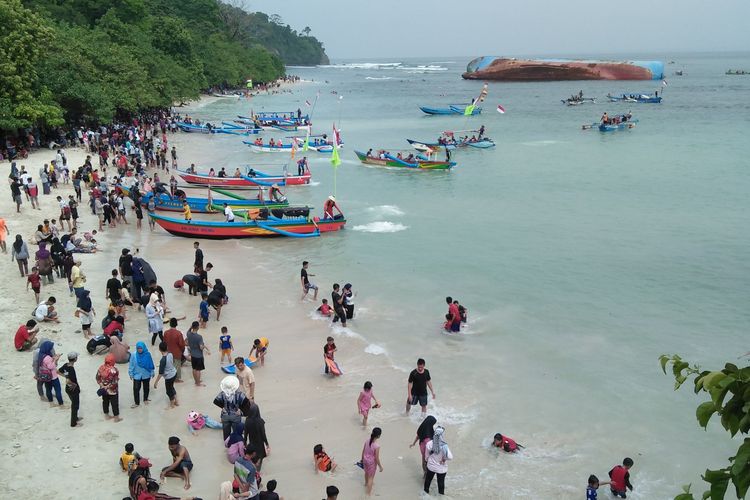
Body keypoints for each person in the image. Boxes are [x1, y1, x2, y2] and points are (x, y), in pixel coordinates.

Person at [213, 376, 251, 441]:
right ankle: (235, 442)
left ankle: (227, 443)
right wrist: (242, 412)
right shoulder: (239, 394)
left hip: (225, 416)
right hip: (236, 415)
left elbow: (216, 401)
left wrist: (223, 407)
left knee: (226, 431)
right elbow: (246, 403)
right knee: (236, 431)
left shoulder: (222, 394)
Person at [424, 426, 453, 495]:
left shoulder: (429, 444)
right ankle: (441, 495)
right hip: (441, 468)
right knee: (441, 482)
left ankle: (425, 493)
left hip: (431, 466)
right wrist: (444, 459)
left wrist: (430, 461)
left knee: (428, 480)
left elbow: (426, 457)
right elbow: (450, 457)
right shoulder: (444, 446)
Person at [58, 352, 82, 427]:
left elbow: (58, 371)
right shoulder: (71, 369)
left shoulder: (66, 365)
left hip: (68, 388)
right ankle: (73, 423)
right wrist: (73, 384)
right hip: (73, 390)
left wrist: (66, 376)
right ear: (75, 359)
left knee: (75, 404)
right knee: (75, 406)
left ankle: (75, 418)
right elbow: (69, 380)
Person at [96, 353, 122, 422]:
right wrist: (108, 387)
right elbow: (115, 382)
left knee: (105, 402)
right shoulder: (114, 370)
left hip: (103, 390)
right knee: (114, 403)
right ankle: (116, 418)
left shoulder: (101, 368)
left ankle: (106, 415)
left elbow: (97, 378)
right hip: (112, 390)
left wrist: (102, 386)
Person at [129, 341, 155, 408]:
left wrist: (152, 372)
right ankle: (136, 403)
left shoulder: (147, 354)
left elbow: (150, 363)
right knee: (136, 388)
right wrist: (130, 373)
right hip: (137, 375)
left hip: (146, 374)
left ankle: (145, 399)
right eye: (138, 348)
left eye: (141, 348)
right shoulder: (133, 355)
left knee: (146, 387)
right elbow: (131, 365)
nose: (139, 350)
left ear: (143, 348)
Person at [244, 403, 270, 470]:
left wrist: (245, 443)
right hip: (260, 445)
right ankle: (258, 472)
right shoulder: (260, 421)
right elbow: (263, 434)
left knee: (252, 459)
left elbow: (245, 433)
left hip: (252, 444)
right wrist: (267, 444)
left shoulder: (247, 421)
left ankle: (254, 471)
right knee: (259, 459)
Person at [38, 341, 64, 406]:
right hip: (53, 377)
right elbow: (51, 367)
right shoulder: (47, 358)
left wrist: (53, 359)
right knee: (58, 390)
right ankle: (61, 405)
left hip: (46, 377)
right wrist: (56, 359)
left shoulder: (41, 355)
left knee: (48, 390)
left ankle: (51, 403)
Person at [154, 341, 179, 409]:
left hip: (169, 377)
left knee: (168, 391)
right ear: (167, 347)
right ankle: (176, 401)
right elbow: (172, 362)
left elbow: (160, 373)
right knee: (172, 387)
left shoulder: (162, 360)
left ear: (159, 349)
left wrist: (156, 382)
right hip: (174, 373)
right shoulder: (170, 354)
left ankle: (172, 405)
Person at [361, 427, 383, 496]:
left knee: (366, 473)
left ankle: (365, 484)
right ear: (379, 436)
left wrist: (362, 459)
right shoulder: (377, 446)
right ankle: (368, 494)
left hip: (365, 460)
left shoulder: (367, 441)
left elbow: (363, 451)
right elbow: (376, 458)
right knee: (371, 478)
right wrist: (380, 466)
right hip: (371, 463)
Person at [186, 321, 209, 386]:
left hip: (192, 355)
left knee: (194, 369)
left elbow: (188, 330)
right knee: (198, 370)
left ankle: (196, 381)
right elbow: (201, 347)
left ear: (192, 327)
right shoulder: (199, 337)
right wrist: (203, 346)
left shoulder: (188, 334)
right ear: (198, 327)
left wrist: (191, 327)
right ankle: (198, 383)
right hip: (199, 356)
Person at [163, 318, 185, 383]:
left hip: (168, 352)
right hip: (176, 353)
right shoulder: (179, 333)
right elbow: (182, 344)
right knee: (177, 366)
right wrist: (182, 351)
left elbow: (164, 343)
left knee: (170, 366)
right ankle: (176, 379)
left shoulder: (166, 333)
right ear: (176, 324)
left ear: (170, 324)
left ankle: (170, 377)